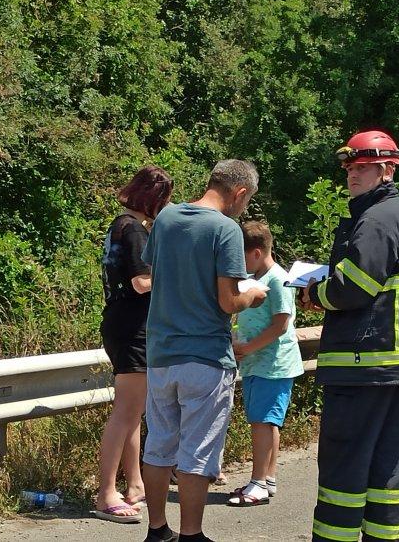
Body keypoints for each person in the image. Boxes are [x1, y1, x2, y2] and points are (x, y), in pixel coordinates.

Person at [300, 131, 399, 542]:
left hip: (365, 365)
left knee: (345, 469)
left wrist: (313, 293)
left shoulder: (375, 220)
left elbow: (352, 288)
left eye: (361, 167)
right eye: (348, 168)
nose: (352, 175)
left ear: (386, 169)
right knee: (386, 471)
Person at [140, 159, 267, 542]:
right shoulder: (225, 229)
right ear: (239, 193)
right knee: (198, 450)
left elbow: (155, 275)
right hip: (206, 358)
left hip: (161, 354)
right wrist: (253, 295)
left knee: (159, 446)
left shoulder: (165, 219)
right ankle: (191, 534)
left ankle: (157, 529)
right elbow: (228, 301)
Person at [93, 165, 174, 524]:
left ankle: (136, 484)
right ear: (154, 199)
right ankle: (106, 492)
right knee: (125, 413)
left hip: (118, 322)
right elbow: (143, 282)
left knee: (132, 412)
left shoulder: (117, 225)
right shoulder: (136, 232)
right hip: (134, 328)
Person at [227, 221, 304, 507]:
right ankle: (267, 478)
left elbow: (281, 324)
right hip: (261, 364)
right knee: (268, 421)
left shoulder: (277, 279)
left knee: (262, 422)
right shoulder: (257, 277)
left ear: (257, 253)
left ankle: (258, 482)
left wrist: (247, 347)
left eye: (242, 256)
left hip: (272, 364)